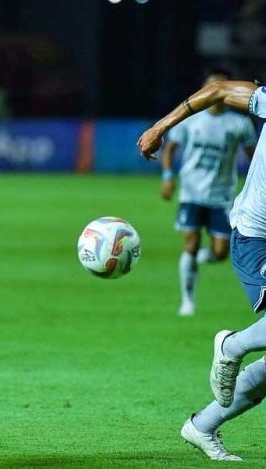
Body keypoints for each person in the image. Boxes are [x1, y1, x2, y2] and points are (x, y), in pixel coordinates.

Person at [139, 78, 266, 461]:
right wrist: (161, 126)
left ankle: (202, 426)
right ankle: (231, 345)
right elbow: (221, 90)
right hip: (256, 235)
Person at [159, 69, 256, 317]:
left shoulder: (239, 123)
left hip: (221, 196)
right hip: (191, 193)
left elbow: (254, 157)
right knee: (190, 244)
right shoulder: (191, 120)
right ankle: (187, 301)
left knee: (221, 252)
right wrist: (169, 177)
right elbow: (170, 148)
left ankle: (201, 259)